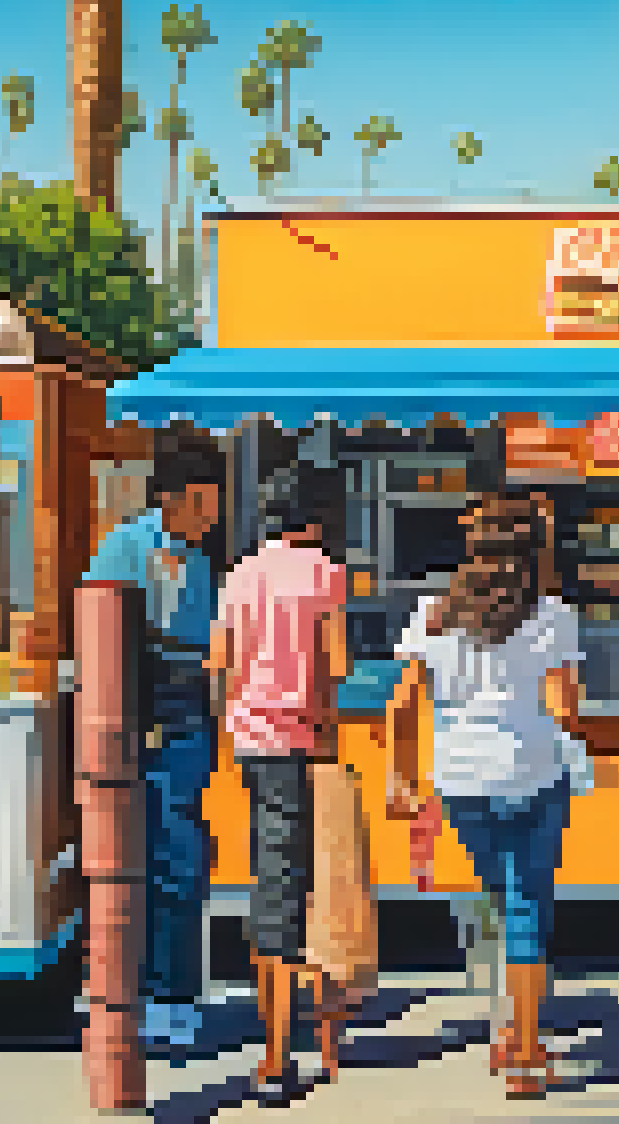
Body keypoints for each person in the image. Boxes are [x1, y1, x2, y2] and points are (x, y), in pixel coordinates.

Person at [386, 492, 593, 1098]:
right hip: (532, 773)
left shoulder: (433, 612)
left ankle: (510, 1026)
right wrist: (577, 722)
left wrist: (403, 778)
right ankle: (526, 1053)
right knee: (527, 907)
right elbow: (565, 710)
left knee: (501, 899)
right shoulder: (552, 614)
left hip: (462, 780)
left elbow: (401, 703)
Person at [210, 465, 351, 1095]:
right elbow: (334, 666)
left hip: (251, 743)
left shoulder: (240, 575)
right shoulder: (325, 574)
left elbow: (223, 666)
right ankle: (287, 1052)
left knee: (275, 880)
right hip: (304, 742)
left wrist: (233, 719)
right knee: (304, 887)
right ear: (316, 521)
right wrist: (324, 732)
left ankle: (281, 1043)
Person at [83, 430, 225, 1051]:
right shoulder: (127, 546)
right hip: (144, 706)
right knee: (152, 853)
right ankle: (153, 993)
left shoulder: (198, 556)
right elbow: (103, 634)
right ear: (173, 499)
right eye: (204, 501)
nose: (213, 514)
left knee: (186, 850)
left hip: (192, 706)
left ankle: (177, 990)